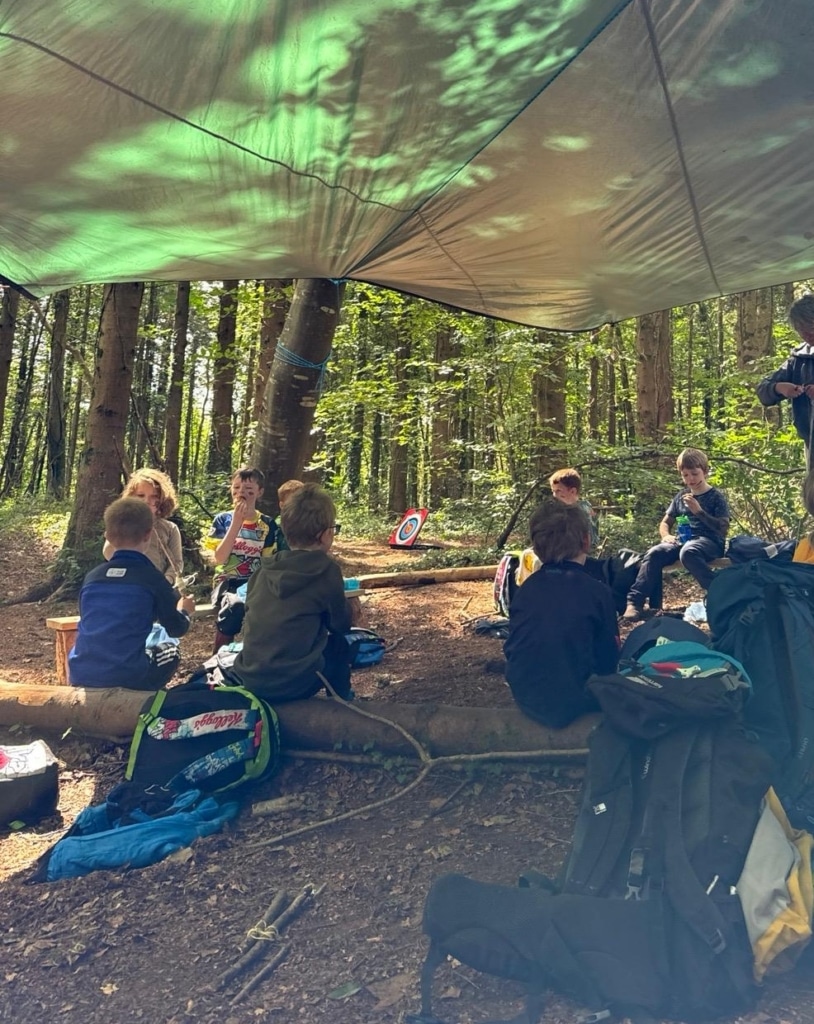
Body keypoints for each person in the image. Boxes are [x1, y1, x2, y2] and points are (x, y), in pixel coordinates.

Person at [229, 483, 354, 701]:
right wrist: (351, 609)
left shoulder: (264, 570)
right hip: (295, 683)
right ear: (325, 534)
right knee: (339, 645)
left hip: (251, 678)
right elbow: (340, 624)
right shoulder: (326, 570)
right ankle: (341, 699)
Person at [503, 500, 619, 729]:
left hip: (526, 695)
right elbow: (608, 658)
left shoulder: (526, 589)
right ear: (586, 541)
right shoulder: (597, 592)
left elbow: (515, 646)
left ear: (536, 547)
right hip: (576, 700)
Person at [69, 498, 195, 689]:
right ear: (148, 534)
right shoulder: (152, 578)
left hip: (81, 673)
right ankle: (146, 695)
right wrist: (185, 611)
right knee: (171, 650)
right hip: (127, 675)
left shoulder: (92, 577)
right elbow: (176, 629)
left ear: (107, 536)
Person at [622, 448, 730, 621]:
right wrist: (666, 536)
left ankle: (720, 593)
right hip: (682, 541)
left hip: (709, 542)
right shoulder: (681, 496)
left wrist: (699, 511)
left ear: (705, 471)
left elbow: (723, 528)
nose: (690, 479)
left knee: (688, 551)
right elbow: (665, 522)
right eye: (685, 475)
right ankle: (635, 602)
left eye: (694, 474)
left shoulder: (716, 496)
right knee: (654, 553)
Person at [206, 467, 279, 652]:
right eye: (236, 488)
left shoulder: (267, 524)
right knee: (234, 606)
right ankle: (219, 655)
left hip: (254, 582)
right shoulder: (222, 520)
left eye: (248, 490)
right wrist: (236, 523)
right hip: (227, 582)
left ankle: (257, 655)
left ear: (259, 492)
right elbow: (219, 559)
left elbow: (268, 563)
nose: (241, 493)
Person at [757, 293, 814, 469]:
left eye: (810, 327)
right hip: (811, 443)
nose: (807, 334)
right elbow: (763, 390)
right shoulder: (799, 358)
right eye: (801, 329)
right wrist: (778, 388)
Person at [103, 468, 183, 585]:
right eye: (140, 495)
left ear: (162, 499)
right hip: (126, 584)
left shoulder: (170, 528)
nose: (146, 501)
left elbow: (177, 563)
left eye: (154, 496)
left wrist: (165, 581)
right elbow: (108, 553)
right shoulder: (122, 523)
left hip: (156, 586)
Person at [549, 467, 599, 546]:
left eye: (558, 490)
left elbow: (591, 540)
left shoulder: (582, 510)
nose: (554, 495)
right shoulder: (562, 508)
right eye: (553, 491)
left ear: (573, 491)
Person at [276, 478, 304, 552]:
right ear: (282, 505)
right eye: (292, 503)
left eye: (301, 502)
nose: (298, 506)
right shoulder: (277, 527)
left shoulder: (307, 524)